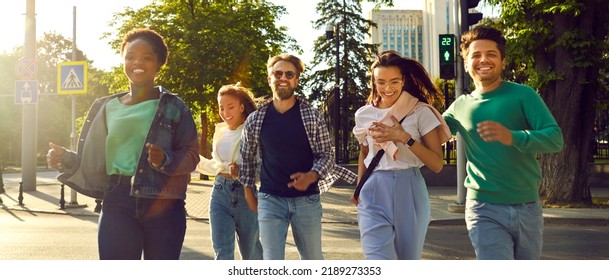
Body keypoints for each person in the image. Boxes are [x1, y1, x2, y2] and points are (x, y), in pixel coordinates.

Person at [46, 28, 200, 260]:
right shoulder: (106, 107)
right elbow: (94, 158)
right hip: (117, 200)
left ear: (159, 63)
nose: (137, 62)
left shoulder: (174, 106)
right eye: (130, 56)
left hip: (163, 203)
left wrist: (164, 160)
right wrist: (64, 158)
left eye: (147, 57)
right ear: (123, 61)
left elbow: (191, 154)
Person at [442, 26, 564, 260]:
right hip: (483, 208)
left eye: (491, 54)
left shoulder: (524, 95)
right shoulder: (459, 106)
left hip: (528, 207)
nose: (483, 59)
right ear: (466, 63)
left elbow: (554, 139)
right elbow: (431, 134)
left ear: (503, 61)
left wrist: (513, 136)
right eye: (475, 55)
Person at [239, 53, 356, 260]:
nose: (283, 77)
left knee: (312, 260)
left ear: (296, 80)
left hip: (307, 201)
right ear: (270, 78)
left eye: (289, 74)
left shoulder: (311, 116)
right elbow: (246, 159)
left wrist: (311, 176)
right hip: (270, 199)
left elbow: (327, 155)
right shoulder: (255, 119)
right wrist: (249, 193)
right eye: (278, 73)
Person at [351, 50, 451, 260]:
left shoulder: (420, 112)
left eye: (394, 82)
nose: (387, 89)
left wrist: (404, 137)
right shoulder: (363, 114)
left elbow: (436, 164)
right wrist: (359, 186)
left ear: (403, 80)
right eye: (381, 82)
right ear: (373, 81)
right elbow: (365, 152)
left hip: (410, 189)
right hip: (373, 190)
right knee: (378, 259)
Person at [196, 84, 262, 260]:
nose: (225, 113)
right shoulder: (221, 132)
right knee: (223, 253)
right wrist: (194, 160)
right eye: (221, 108)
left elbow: (262, 168)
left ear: (241, 107)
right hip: (219, 193)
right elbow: (218, 165)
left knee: (252, 253)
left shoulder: (253, 131)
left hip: (246, 195)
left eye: (230, 107)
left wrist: (243, 172)